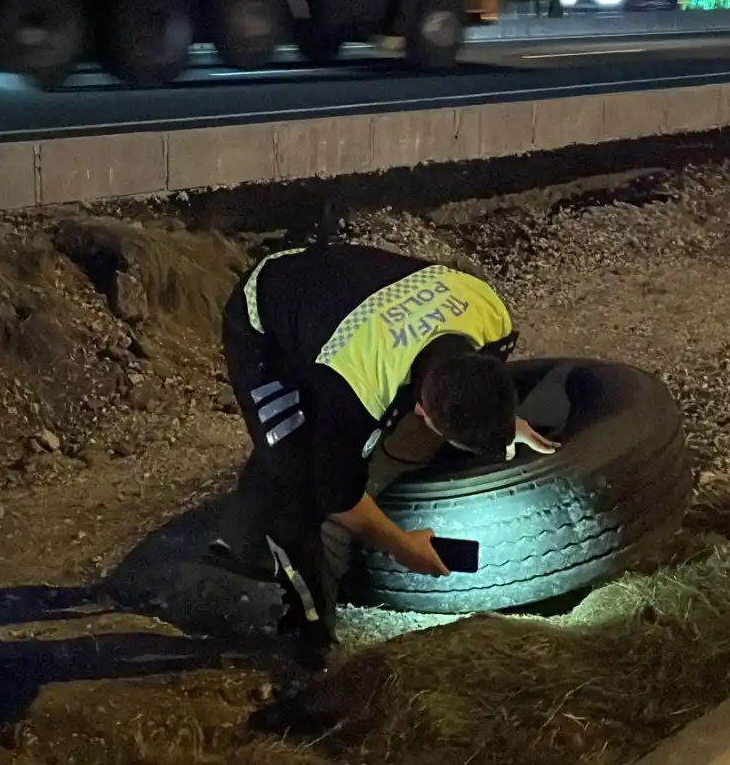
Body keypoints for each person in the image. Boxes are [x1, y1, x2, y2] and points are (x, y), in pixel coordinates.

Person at [210, 242, 557, 668]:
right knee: (294, 485)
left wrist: (506, 421)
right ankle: (308, 630)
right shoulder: (354, 389)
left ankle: (251, 512)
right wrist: (401, 545)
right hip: (266, 317)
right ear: (421, 411)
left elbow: (481, 380)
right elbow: (336, 497)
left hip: (349, 292)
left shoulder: (490, 313)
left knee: (316, 448)